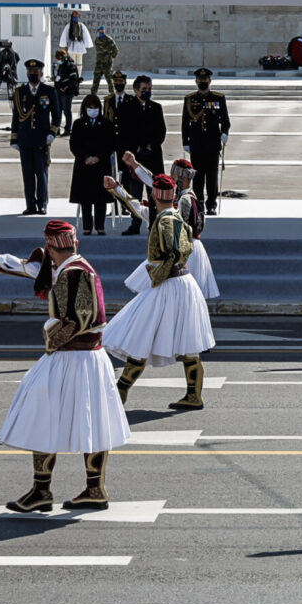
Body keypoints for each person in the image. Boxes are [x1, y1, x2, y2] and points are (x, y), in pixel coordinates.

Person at [0, 219, 129, 512]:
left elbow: (80, 319)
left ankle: (43, 491)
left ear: (49, 246)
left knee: (41, 413)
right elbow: (35, 270)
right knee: (92, 421)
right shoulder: (68, 267)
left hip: (73, 355)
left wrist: (51, 337)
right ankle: (91, 489)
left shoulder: (75, 273)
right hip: (85, 358)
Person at [102, 173, 216, 410]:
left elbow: (174, 253)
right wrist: (117, 190)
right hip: (184, 284)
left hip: (169, 285)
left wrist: (158, 276)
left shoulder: (164, 220)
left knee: (140, 335)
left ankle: (120, 391)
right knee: (188, 343)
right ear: (172, 195)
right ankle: (194, 395)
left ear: (154, 195)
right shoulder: (174, 215)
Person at [111, 154, 220, 299]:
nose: (172, 178)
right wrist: (134, 165)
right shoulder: (183, 196)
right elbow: (156, 182)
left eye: (174, 175)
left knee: (173, 294)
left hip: (183, 250)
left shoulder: (183, 200)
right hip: (185, 248)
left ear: (184, 177)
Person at [10, 59, 59, 216]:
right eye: (30, 72)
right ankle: (30, 204)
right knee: (28, 174)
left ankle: (42, 203)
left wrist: (52, 132)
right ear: (27, 73)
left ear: (41, 73)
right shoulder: (20, 92)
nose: (33, 74)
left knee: (41, 173)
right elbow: (16, 116)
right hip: (25, 139)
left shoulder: (49, 91)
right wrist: (14, 138)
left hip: (41, 139)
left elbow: (57, 115)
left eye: (35, 72)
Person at [119, 75, 166, 236]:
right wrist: (136, 148)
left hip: (153, 156)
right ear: (136, 90)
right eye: (144, 89)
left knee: (154, 194)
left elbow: (161, 131)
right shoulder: (127, 107)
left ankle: (154, 224)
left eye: (149, 89)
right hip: (135, 158)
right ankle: (135, 224)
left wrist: (150, 146)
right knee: (135, 195)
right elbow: (125, 132)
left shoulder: (156, 107)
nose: (147, 92)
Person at [182, 67, 231, 215]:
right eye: (200, 79)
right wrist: (186, 141)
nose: (202, 82)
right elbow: (185, 122)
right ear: (196, 81)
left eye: (205, 79)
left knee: (212, 177)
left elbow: (226, 120)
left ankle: (211, 204)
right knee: (197, 177)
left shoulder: (218, 98)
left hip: (212, 144)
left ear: (210, 81)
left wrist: (224, 133)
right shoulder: (190, 99)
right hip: (196, 144)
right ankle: (199, 204)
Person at [69, 94, 117, 236]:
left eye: (95, 108)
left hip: (100, 165)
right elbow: (74, 145)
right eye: (90, 108)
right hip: (84, 165)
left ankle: (100, 226)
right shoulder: (78, 124)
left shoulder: (106, 124)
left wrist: (98, 157)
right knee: (85, 198)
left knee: (100, 198)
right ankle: (87, 226)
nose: (93, 110)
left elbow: (110, 144)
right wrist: (85, 157)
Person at [53, 49, 80, 136]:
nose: (58, 61)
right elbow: (60, 77)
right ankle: (56, 129)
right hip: (58, 90)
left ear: (63, 57)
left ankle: (68, 129)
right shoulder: (62, 66)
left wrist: (65, 87)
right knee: (57, 110)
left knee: (66, 111)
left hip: (67, 92)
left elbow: (73, 79)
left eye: (59, 59)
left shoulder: (71, 65)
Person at [90, 26, 118, 96]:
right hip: (99, 63)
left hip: (107, 63)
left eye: (102, 31)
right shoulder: (97, 40)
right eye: (100, 31)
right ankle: (93, 94)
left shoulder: (109, 39)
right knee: (96, 80)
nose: (101, 32)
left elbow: (116, 49)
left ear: (104, 31)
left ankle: (112, 94)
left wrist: (113, 57)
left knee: (109, 80)